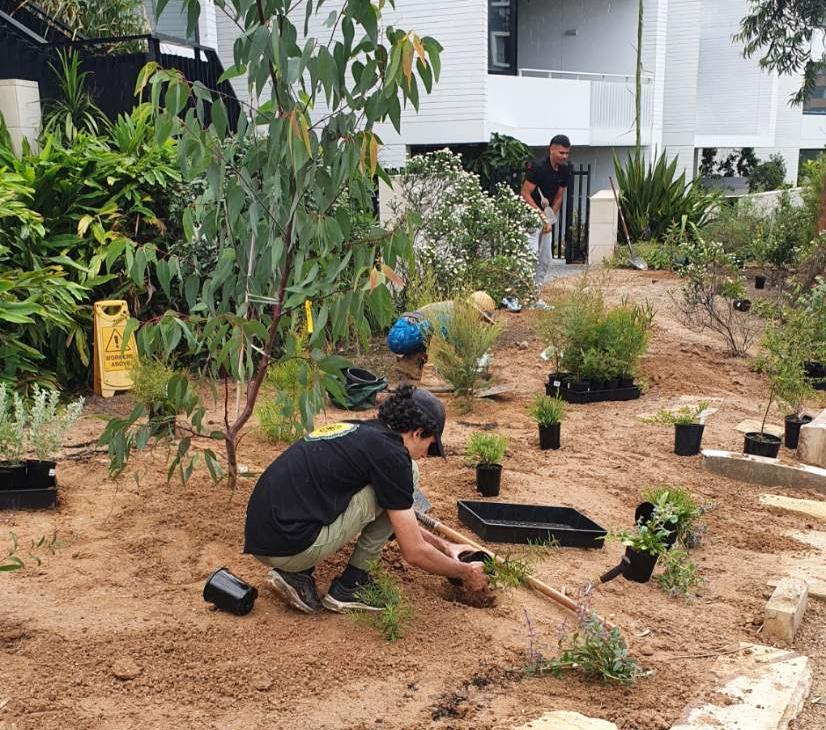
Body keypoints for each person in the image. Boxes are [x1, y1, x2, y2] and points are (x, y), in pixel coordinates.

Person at [244, 384, 491, 614]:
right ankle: (353, 586)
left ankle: (296, 574)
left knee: (387, 491)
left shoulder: (361, 431)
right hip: (290, 546)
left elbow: (395, 520)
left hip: (268, 538)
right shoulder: (393, 456)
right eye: (431, 445)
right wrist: (465, 572)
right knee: (408, 474)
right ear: (417, 433)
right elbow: (413, 551)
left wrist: (448, 547)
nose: (427, 454)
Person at [386, 291, 496, 380]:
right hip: (400, 334)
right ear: (473, 310)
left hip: (409, 335)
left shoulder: (460, 316)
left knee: (441, 337)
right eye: (480, 318)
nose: (479, 321)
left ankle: (409, 363)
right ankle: (430, 373)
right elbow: (441, 335)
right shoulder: (453, 313)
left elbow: (455, 348)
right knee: (442, 324)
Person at [521, 134, 573, 304]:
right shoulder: (538, 167)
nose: (564, 156)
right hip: (531, 214)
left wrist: (550, 219)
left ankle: (535, 296)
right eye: (561, 153)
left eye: (566, 153)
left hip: (546, 218)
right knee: (531, 254)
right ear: (551, 149)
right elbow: (525, 193)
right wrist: (541, 216)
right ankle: (522, 295)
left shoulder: (565, 170)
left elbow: (559, 197)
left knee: (545, 258)